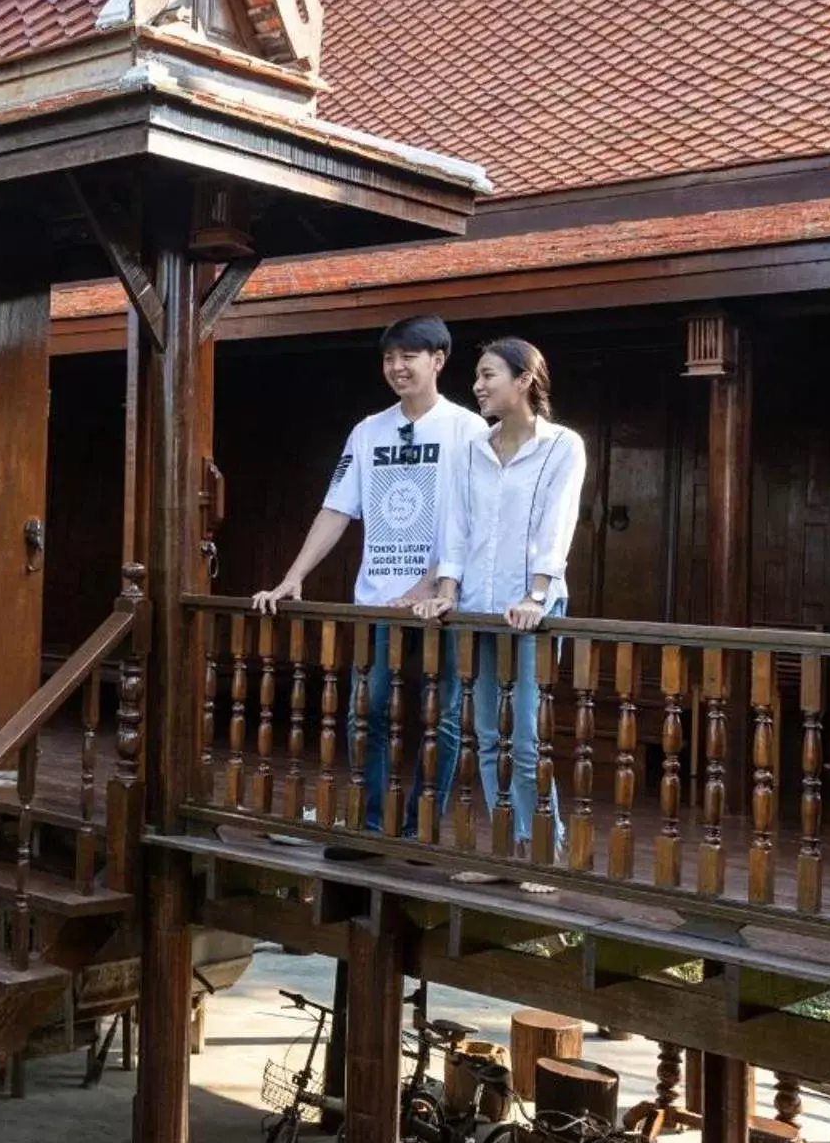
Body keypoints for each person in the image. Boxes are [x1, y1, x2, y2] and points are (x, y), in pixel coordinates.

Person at [250, 315, 488, 829]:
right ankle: (371, 825)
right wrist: (294, 577)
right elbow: (336, 509)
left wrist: (429, 582)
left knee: (440, 718)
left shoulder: (467, 429)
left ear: (438, 360)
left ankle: (422, 827)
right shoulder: (367, 431)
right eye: (389, 357)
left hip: (438, 606)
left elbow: (475, 521)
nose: (397, 366)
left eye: (409, 356)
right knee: (367, 712)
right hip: (376, 600)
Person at [416, 337, 586, 859]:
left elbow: (557, 526)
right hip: (479, 608)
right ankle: (507, 854)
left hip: (531, 611)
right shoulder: (472, 450)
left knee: (527, 737)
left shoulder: (563, 445)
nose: (478, 386)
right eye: (478, 376)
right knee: (488, 734)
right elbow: (457, 527)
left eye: (489, 375)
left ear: (523, 380)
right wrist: (447, 592)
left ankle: (543, 852)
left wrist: (536, 595)